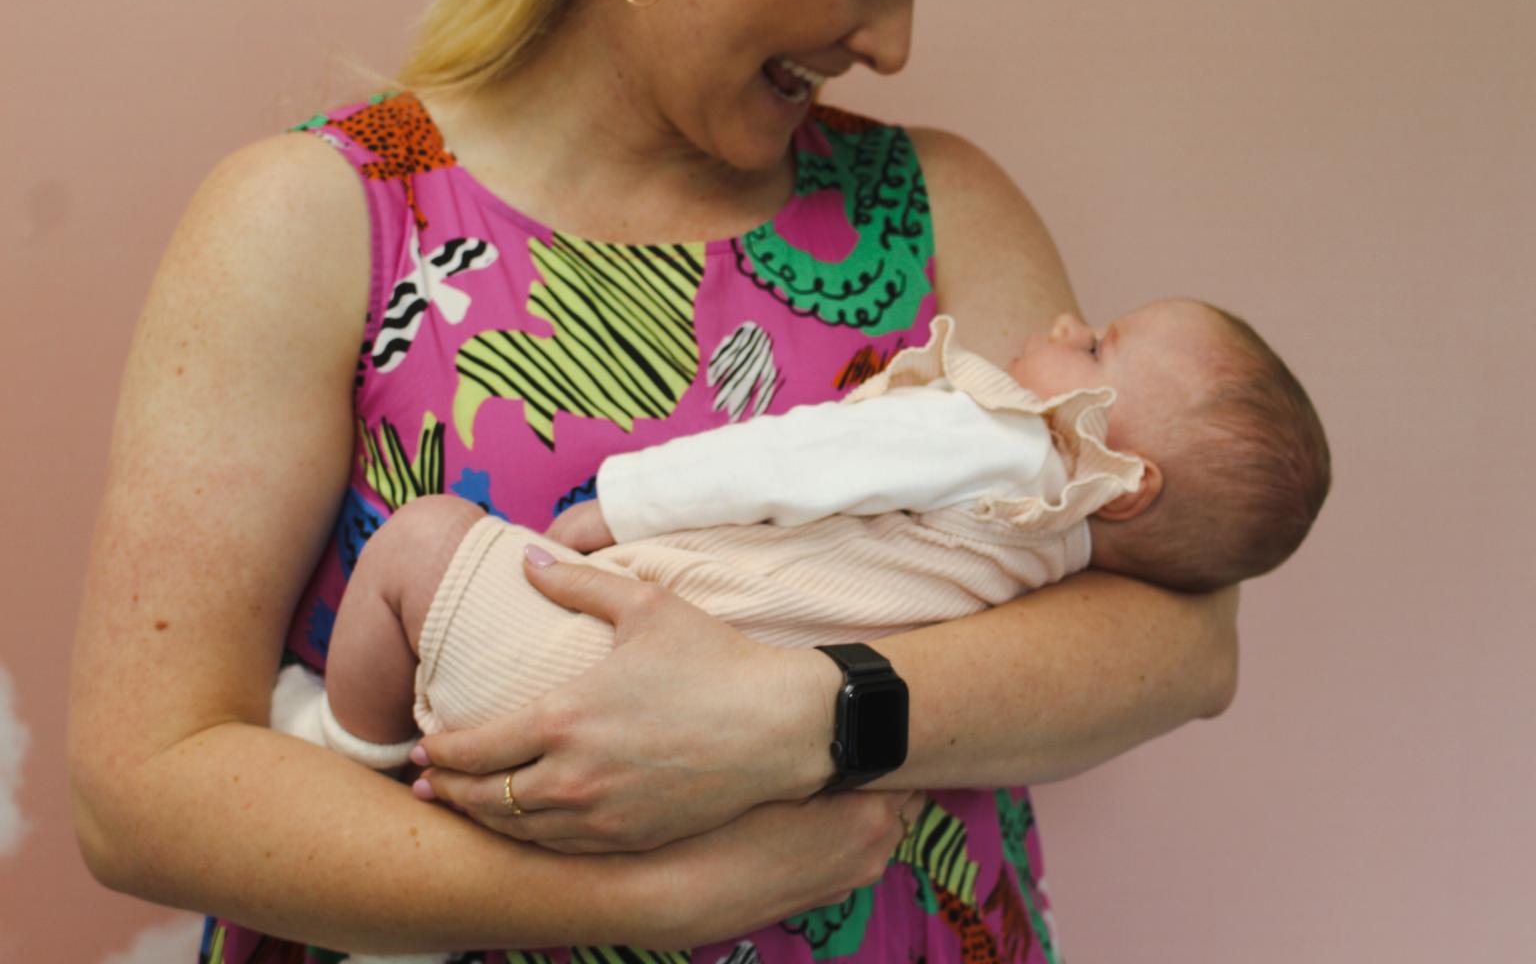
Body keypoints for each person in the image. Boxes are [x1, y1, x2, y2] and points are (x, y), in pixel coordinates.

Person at [68, 0, 1244, 962]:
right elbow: (140, 793)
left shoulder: (934, 206)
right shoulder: (321, 213)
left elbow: (1180, 644)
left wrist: (799, 716)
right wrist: (645, 897)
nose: (893, 45)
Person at [281, 302, 1326, 772]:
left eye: (1094, 346)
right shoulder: (1050, 562)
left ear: (1127, 482)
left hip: (595, 660)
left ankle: (346, 750)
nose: (1061, 325)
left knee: (424, 541)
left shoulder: (1004, 443)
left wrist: (626, 502)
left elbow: (801, 462)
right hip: (703, 753)